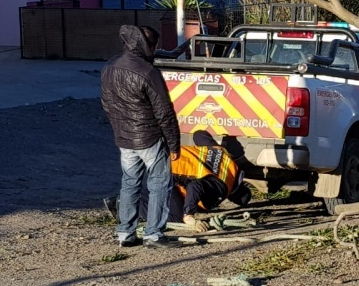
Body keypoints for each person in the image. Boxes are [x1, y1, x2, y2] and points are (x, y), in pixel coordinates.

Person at [101, 25, 181, 249]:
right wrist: (174, 145)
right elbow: (165, 112)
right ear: (148, 45)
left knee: (129, 183)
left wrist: (119, 129)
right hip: (149, 138)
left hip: (124, 138)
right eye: (154, 46)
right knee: (159, 184)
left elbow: (107, 104)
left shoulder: (109, 67)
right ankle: (154, 234)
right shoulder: (148, 72)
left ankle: (125, 233)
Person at [168, 130, 252, 232]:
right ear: (232, 195)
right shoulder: (222, 187)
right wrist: (188, 215)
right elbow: (195, 187)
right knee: (177, 218)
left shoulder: (222, 153)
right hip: (161, 172)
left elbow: (199, 134)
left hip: (163, 154)